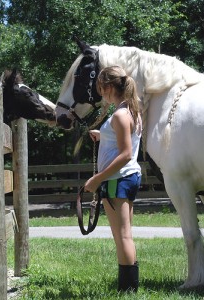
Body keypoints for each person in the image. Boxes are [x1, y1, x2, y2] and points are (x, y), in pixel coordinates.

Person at [84, 66, 142, 293]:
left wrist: (97, 179)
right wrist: (103, 134)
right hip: (128, 177)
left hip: (118, 178)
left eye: (100, 89)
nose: (101, 94)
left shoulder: (119, 114)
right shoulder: (132, 111)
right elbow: (124, 140)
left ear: (108, 87)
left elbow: (126, 152)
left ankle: (127, 291)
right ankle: (130, 288)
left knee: (122, 236)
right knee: (125, 234)